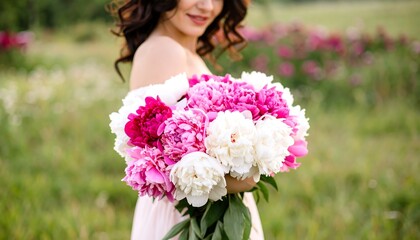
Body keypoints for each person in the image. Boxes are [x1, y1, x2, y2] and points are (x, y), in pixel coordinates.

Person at [110, 0, 264, 239]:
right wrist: (252, 171)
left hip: (211, 216)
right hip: (187, 222)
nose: (206, 6)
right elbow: (166, 169)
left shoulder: (187, 52)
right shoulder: (163, 49)